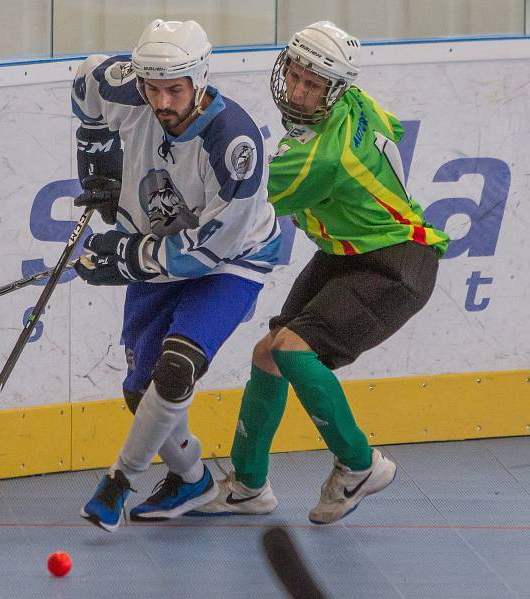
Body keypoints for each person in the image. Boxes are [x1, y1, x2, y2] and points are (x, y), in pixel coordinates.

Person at [193, 21, 450, 524]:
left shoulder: (315, 159)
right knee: (269, 354)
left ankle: (359, 464)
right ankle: (248, 486)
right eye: (295, 74)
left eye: (313, 85)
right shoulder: (358, 103)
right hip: (345, 253)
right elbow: (390, 129)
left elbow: (236, 203)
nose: (299, 90)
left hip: (396, 263)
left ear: (335, 89)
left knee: (291, 350)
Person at [70, 18, 281, 532]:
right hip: (156, 242)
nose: (162, 102)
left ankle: (119, 482)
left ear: (200, 80)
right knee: (140, 392)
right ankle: (192, 480)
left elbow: (207, 253)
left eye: (174, 90)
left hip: (230, 262)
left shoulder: (235, 144)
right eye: (153, 89)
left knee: (177, 367)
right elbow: (86, 80)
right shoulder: (125, 84)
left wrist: (123, 257)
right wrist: (96, 154)